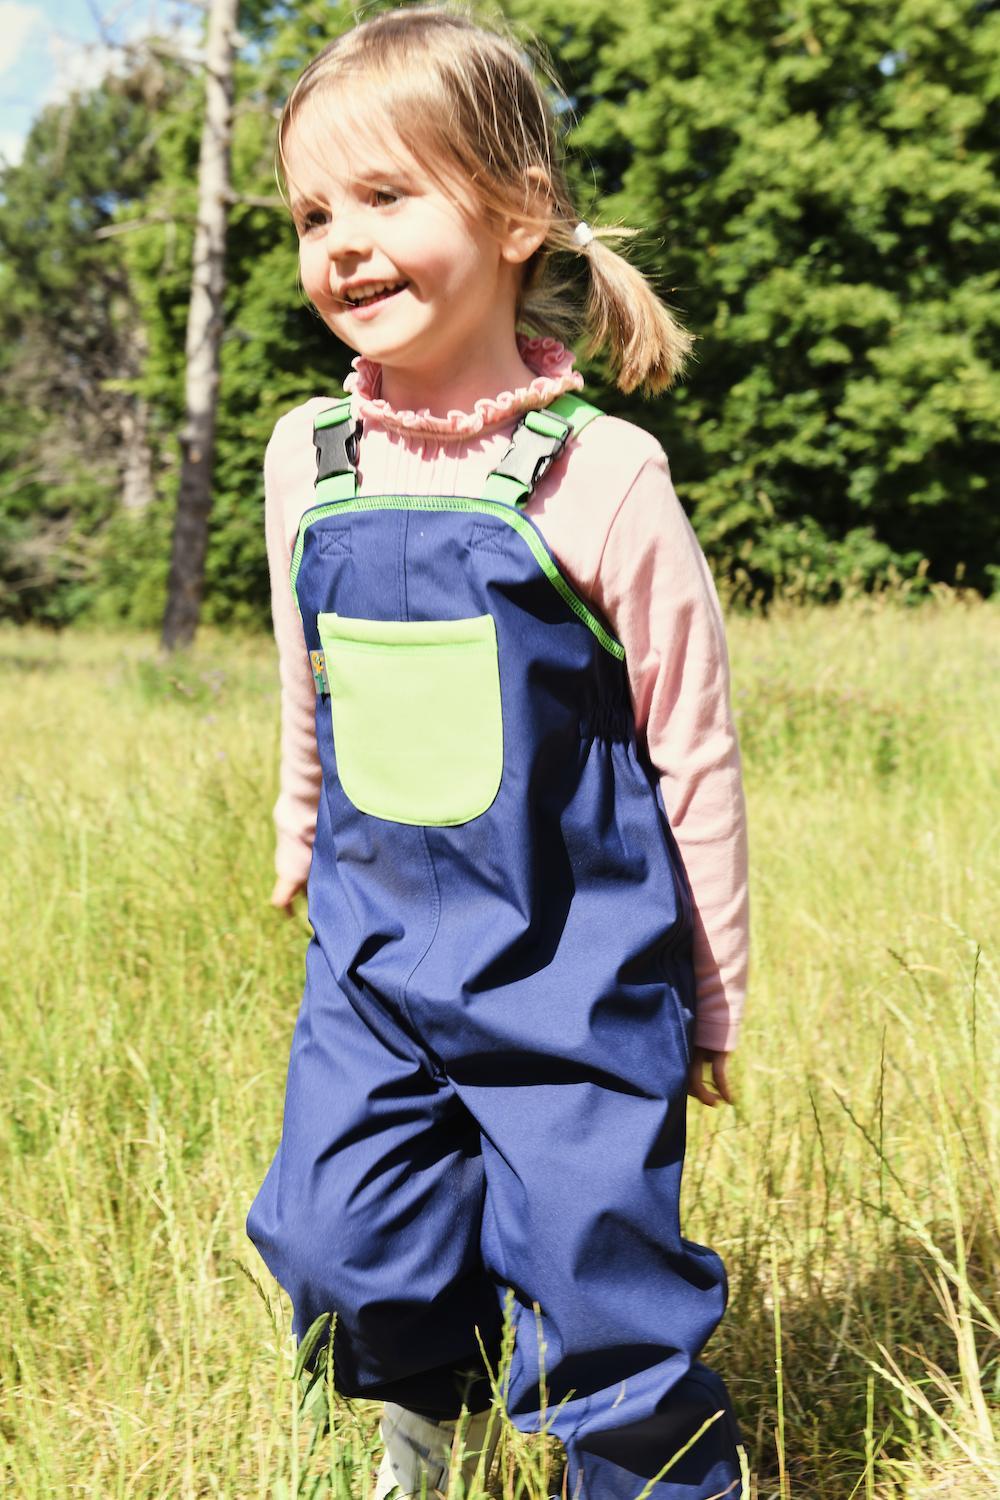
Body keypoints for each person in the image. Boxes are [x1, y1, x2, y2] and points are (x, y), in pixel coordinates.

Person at [246, 6, 750, 1498]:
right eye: (312, 212)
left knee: (604, 1291)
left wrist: (709, 984)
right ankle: (433, 1414)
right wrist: (295, 817)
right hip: (376, 964)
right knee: (335, 1238)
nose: (342, 241)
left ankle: (653, 1482)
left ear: (518, 210)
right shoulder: (308, 458)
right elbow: (310, 675)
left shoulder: (600, 474)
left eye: (386, 196)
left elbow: (695, 748)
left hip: (576, 985)